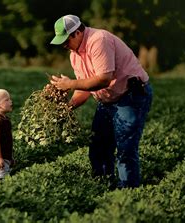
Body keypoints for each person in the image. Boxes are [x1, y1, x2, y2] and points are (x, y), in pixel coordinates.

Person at [49, 15, 153, 188]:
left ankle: (128, 192)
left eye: (66, 40)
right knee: (98, 146)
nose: (64, 45)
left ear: (77, 32)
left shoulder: (98, 40)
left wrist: (70, 84)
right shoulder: (75, 56)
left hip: (131, 96)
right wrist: (67, 108)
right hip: (107, 100)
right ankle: (103, 185)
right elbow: (85, 88)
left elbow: (104, 79)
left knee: (125, 148)